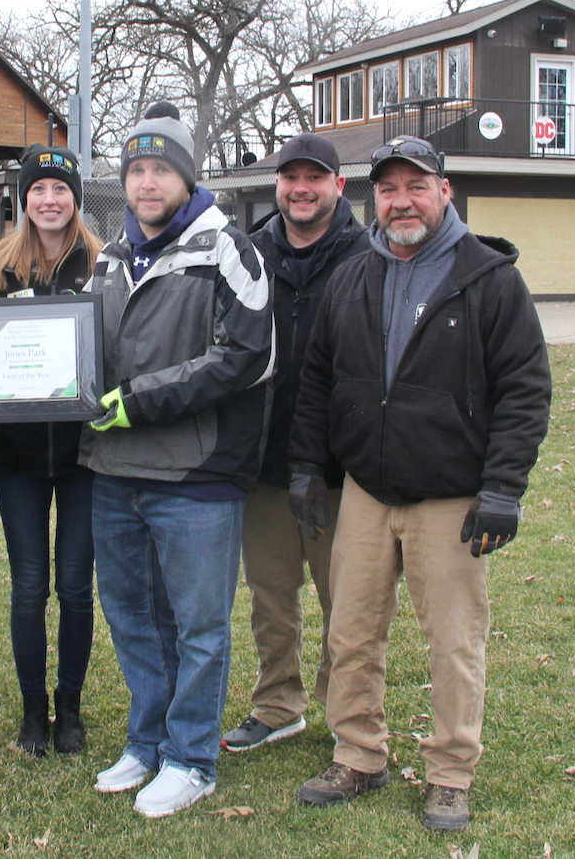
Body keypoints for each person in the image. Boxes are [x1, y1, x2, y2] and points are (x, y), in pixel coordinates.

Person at [289, 135, 551, 831]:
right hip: (369, 494)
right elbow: (318, 380)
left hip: (452, 497)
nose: (401, 200)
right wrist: (306, 468)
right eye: (387, 189)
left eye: (415, 185)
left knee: (454, 641)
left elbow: (525, 391)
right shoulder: (352, 274)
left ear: (445, 191)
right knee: (350, 632)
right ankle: (358, 754)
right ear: (373, 198)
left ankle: (450, 773)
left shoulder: (490, 278)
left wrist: (502, 488)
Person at [83, 102, 275, 818]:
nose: (146, 181)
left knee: (197, 624)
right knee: (132, 615)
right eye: (136, 169)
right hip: (113, 471)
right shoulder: (109, 254)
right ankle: (149, 739)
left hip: (195, 475)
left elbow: (245, 358)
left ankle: (192, 757)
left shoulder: (229, 248)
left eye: (160, 168)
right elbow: (86, 352)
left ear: (186, 177)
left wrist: (139, 399)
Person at [221, 133, 369, 753]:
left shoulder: (371, 256)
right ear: (276, 185)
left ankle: (347, 709)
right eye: (290, 177)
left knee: (348, 600)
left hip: (344, 468)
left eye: (315, 177)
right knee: (271, 595)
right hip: (265, 462)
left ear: (339, 185)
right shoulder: (248, 255)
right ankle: (278, 703)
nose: (301, 189)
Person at [0, 144, 103, 757]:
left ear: (76, 199)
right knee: (29, 586)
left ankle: (71, 709)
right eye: (38, 190)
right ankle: (33, 712)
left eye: (60, 189)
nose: (49, 200)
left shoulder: (106, 266)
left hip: (85, 456)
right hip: (18, 457)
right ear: (23, 200)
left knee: (76, 587)